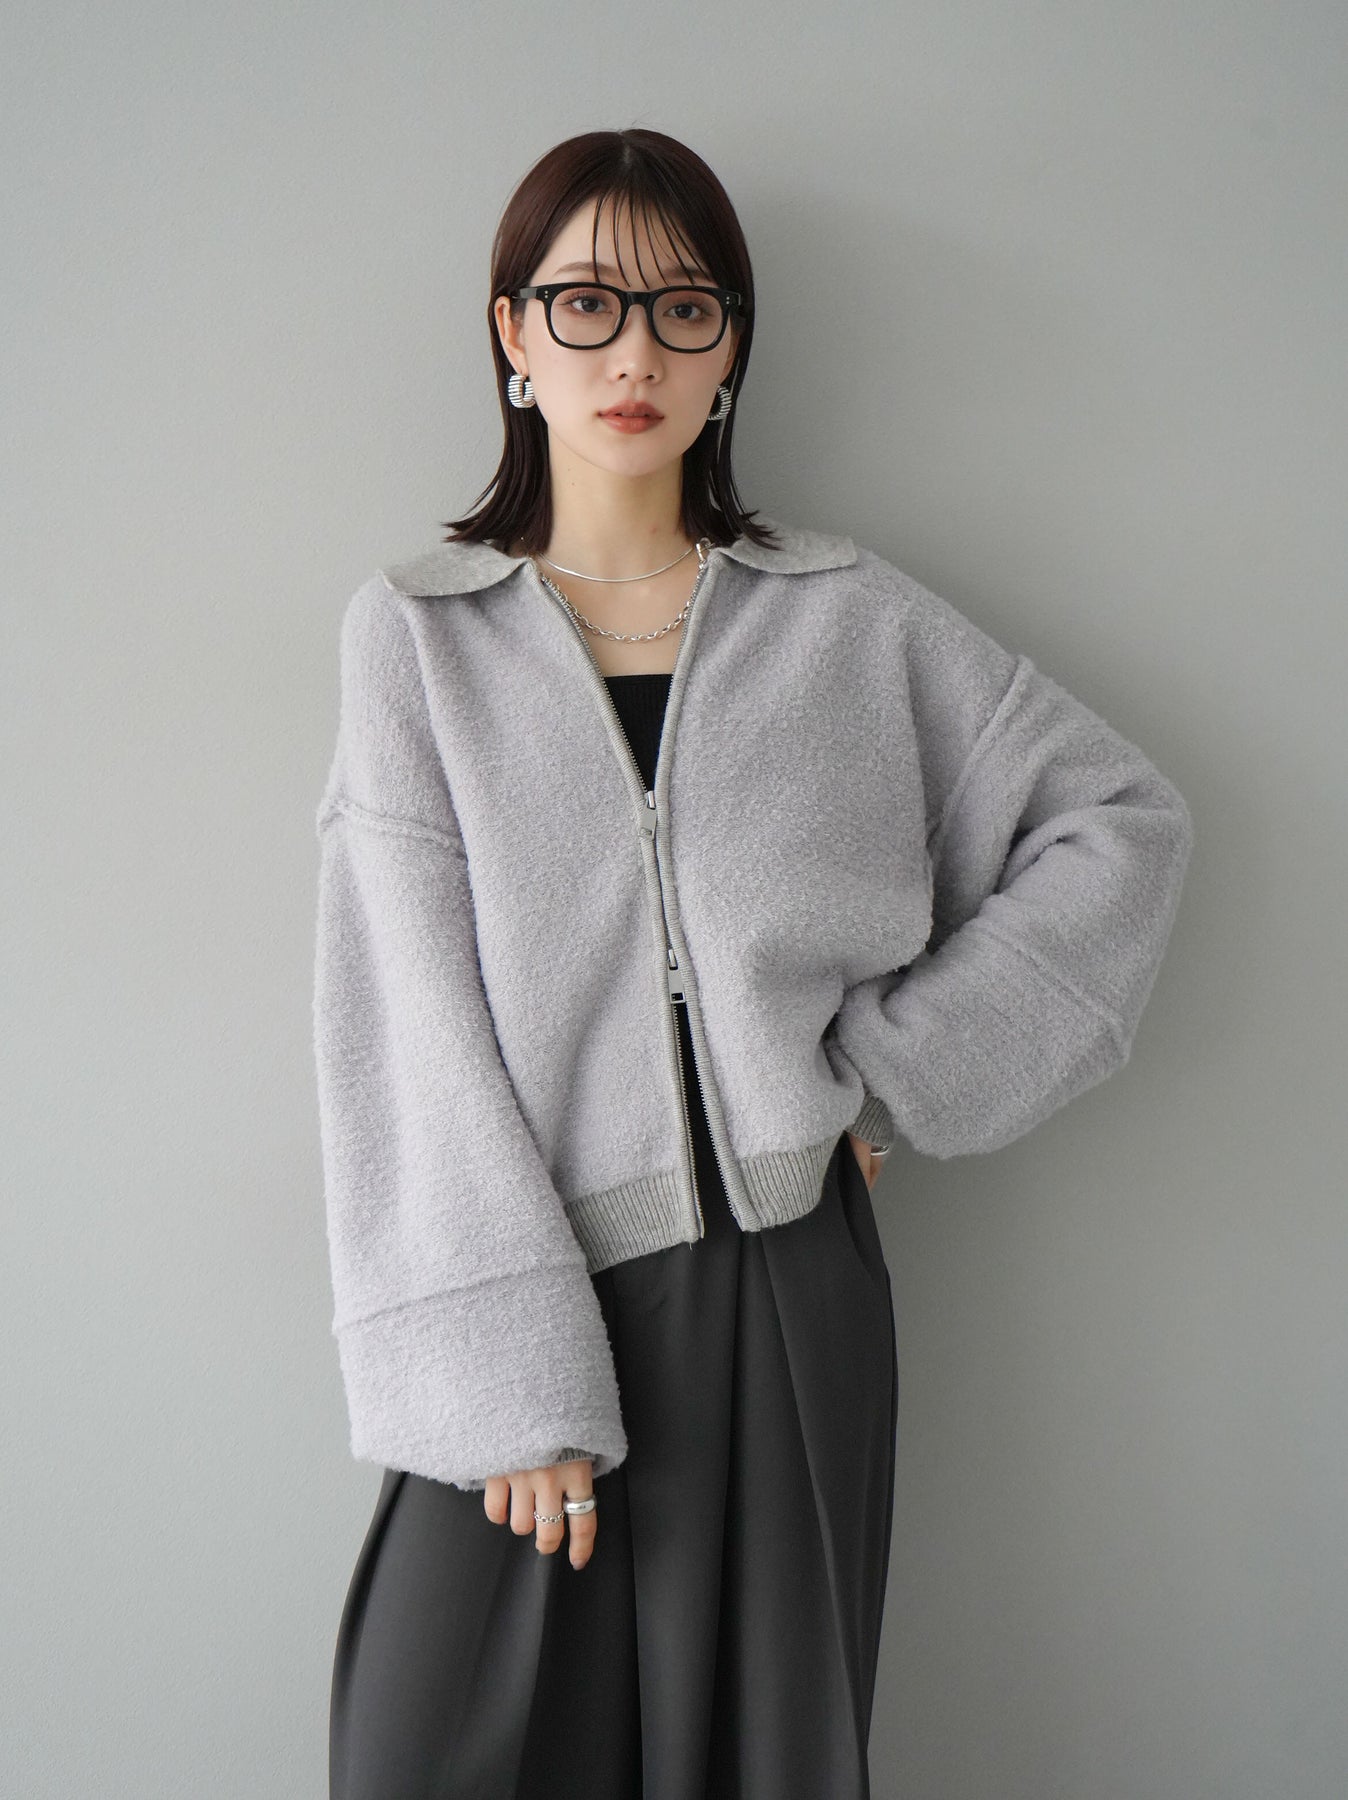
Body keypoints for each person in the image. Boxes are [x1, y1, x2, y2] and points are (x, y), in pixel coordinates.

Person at [312, 128, 1193, 1799]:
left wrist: (898, 1078)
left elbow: (1119, 823)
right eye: (585, 303)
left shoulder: (847, 619)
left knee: (760, 1760)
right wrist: (502, 1378)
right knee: (430, 1752)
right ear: (512, 334)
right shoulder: (420, 636)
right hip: (530, 1273)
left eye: (685, 307)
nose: (633, 351)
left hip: (791, 1286)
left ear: (732, 349)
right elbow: (401, 1015)